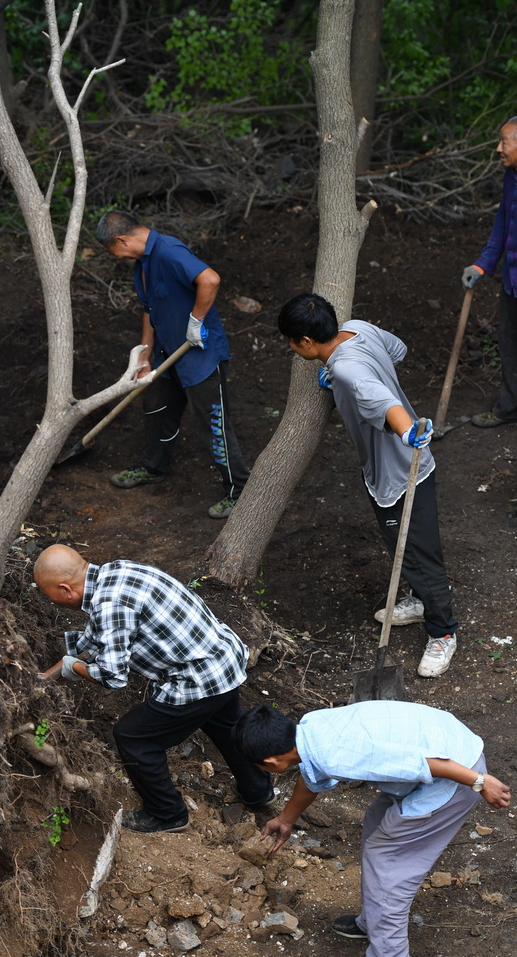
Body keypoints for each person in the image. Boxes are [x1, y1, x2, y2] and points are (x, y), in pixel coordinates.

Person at [233, 701, 511, 957]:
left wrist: (480, 782)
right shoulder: (310, 729)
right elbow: (312, 774)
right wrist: (286, 818)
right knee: (377, 822)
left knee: (388, 864)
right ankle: (374, 921)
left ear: (270, 762)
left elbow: (425, 764)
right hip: (450, 745)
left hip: (453, 777)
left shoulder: (336, 755)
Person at [277, 293, 457, 679]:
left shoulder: (347, 371)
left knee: (417, 553)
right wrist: (354, 375)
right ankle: (420, 598)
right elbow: (398, 350)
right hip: (385, 469)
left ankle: (442, 632)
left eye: (291, 342)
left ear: (306, 342)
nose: (292, 349)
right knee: (400, 545)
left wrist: (407, 431)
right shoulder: (357, 329)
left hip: (401, 473)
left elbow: (382, 400)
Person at [33, 544, 273, 833]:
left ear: (65, 589)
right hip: (222, 658)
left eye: (51, 597)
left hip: (198, 677)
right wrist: (46, 676)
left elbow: (112, 676)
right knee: (225, 725)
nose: (53, 603)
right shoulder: (115, 572)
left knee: (134, 737)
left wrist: (74, 668)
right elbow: (100, 636)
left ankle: (166, 814)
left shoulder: (109, 605)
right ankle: (258, 791)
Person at [96, 209, 249, 519]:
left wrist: (196, 320)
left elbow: (210, 279)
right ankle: (154, 466)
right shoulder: (141, 266)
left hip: (200, 355)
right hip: (169, 355)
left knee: (213, 425)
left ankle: (240, 490)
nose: (114, 256)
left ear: (120, 239)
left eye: (111, 249)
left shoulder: (169, 251)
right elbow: (149, 310)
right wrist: (144, 353)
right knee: (156, 409)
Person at [462, 116, 517, 427]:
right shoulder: (511, 177)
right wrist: (483, 263)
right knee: (510, 344)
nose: (498, 148)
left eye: (504, 141)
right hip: (512, 282)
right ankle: (509, 407)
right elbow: (502, 225)